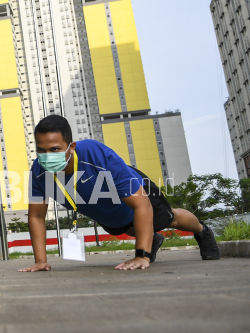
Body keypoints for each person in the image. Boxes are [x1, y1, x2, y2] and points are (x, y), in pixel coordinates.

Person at [18, 115, 220, 273]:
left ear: (71, 146)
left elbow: (142, 206)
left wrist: (142, 256)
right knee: (119, 227)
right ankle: (152, 238)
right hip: (107, 212)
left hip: (138, 195)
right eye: (41, 151)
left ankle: (202, 231)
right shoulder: (39, 171)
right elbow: (36, 216)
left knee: (170, 219)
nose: (47, 157)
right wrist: (40, 261)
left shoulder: (94, 154)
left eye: (54, 149)